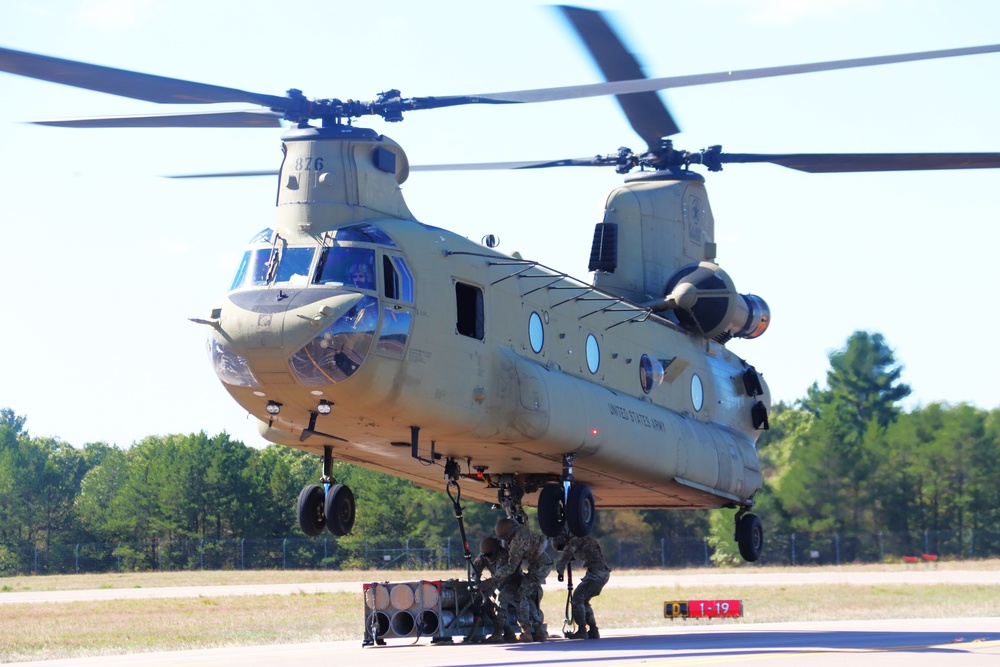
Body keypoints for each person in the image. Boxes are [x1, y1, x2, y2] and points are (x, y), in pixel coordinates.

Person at [489, 517, 553, 642]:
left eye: (505, 537)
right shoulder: (520, 529)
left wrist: (493, 579)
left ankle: (527, 632)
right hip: (539, 565)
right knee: (527, 595)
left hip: (540, 567)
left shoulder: (517, 543)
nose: (505, 540)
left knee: (522, 595)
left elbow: (511, 567)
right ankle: (538, 631)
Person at [554, 534, 611, 639]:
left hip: (595, 574)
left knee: (577, 598)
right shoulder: (584, 539)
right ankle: (593, 630)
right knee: (584, 600)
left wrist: (560, 570)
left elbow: (564, 560)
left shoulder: (573, 542)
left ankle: (582, 630)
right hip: (603, 573)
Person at [473, 536, 520, 643]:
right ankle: (508, 631)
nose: (486, 557)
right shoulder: (485, 554)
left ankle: (498, 634)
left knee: (501, 599)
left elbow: (502, 575)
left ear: (495, 550)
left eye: (488, 555)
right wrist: (476, 580)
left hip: (512, 583)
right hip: (497, 583)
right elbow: (476, 568)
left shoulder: (503, 556)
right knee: (487, 603)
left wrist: (491, 581)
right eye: (484, 555)